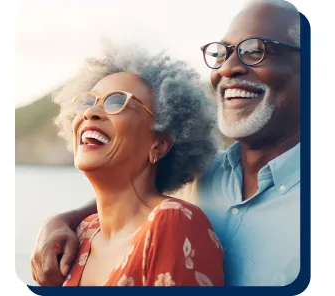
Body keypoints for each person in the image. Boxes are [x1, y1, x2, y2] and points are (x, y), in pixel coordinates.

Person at [31, 0, 301, 286]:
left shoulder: (177, 216)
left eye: (255, 51)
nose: (228, 68)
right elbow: (130, 199)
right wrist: (60, 221)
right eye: (222, 54)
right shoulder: (199, 178)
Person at [31, 42, 224, 286]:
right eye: (89, 101)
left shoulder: (173, 222)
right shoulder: (79, 234)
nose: (92, 112)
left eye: (117, 102)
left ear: (159, 144)